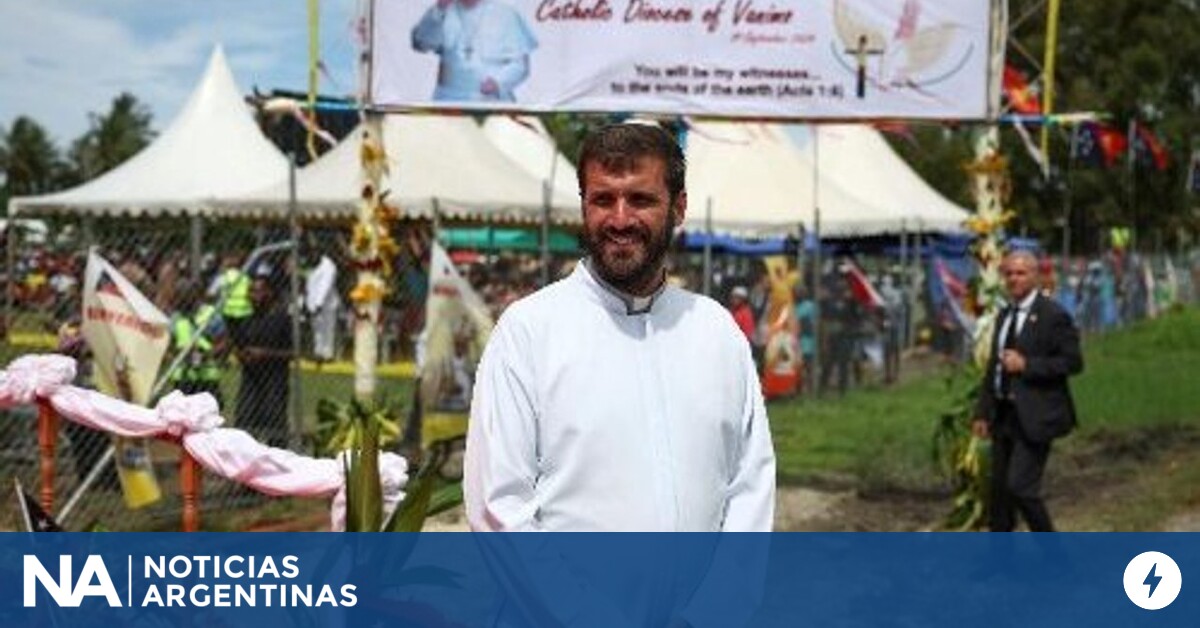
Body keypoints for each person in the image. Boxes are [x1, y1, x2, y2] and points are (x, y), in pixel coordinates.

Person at [465, 123, 776, 532]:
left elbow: (750, 486)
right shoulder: (529, 332)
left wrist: (722, 595)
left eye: (641, 199)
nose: (620, 218)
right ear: (583, 207)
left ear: (679, 207)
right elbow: (499, 506)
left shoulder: (715, 331)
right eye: (603, 200)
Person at [973, 250, 1083, 532]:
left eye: (1021, 273)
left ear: (1034, 276)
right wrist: (983, 412)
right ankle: (1000, 560)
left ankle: (1053, 555)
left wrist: (1028, 365)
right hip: (1004, 413)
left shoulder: (1053, 315)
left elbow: (1072, 362)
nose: (1014, 279)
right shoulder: (1005, 315)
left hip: (1036, 414)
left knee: (1021, 486)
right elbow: (993, 370)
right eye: (1009, 273)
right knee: (999, 494)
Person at [411, 0, 538, 102]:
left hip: (490, 100)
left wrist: (498, 82)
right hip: (448, 99)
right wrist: (439, 9)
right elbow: (422, 44)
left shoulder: (505, 12)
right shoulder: (441, 11)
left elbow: (520, 65)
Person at [234, 276, 295, 448]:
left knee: (274, 423)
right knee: (245, 420)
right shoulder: (247, 320)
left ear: (269, 293)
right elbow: (239, 346)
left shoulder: (282, 319)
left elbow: (293, 353)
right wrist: (242, 355)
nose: (252, 296)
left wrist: (265, 354)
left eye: (257, 291)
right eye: (250, 292)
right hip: (250, 380)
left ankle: (278, 461)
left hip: (274, 381)